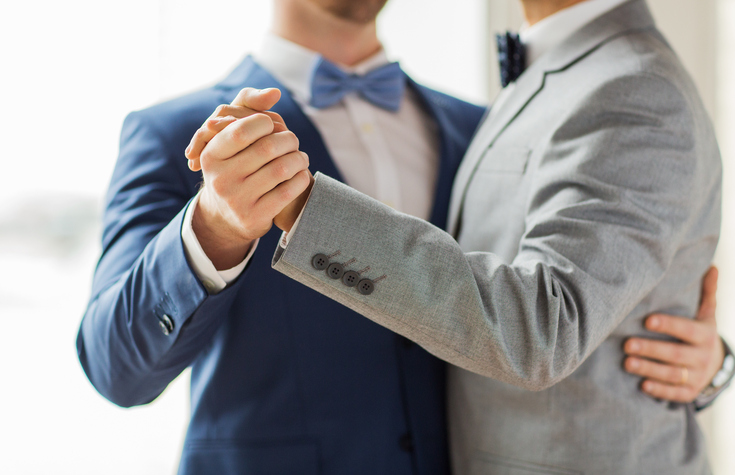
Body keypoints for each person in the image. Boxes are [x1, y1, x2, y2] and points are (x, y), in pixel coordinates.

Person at [78, 0, 728, 474]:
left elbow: (543, 302)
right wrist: (211, 228)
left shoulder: (476, 125)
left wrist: (702, 361)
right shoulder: (174, 134)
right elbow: (114, 369)